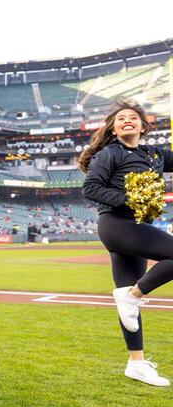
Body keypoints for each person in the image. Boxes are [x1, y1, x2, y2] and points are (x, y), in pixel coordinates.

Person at [80, 102, 173, 387]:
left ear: (144, 126)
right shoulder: (109, 153)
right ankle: (134, 295)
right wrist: (130, 200)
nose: (127, 121)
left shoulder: (154, 154)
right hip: (117, 225)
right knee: (129, 297)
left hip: (136, 226)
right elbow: (91, 188)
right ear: (114, 127)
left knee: (125, 298)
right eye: (121, 118)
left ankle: (136, 363)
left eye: (134, 117)